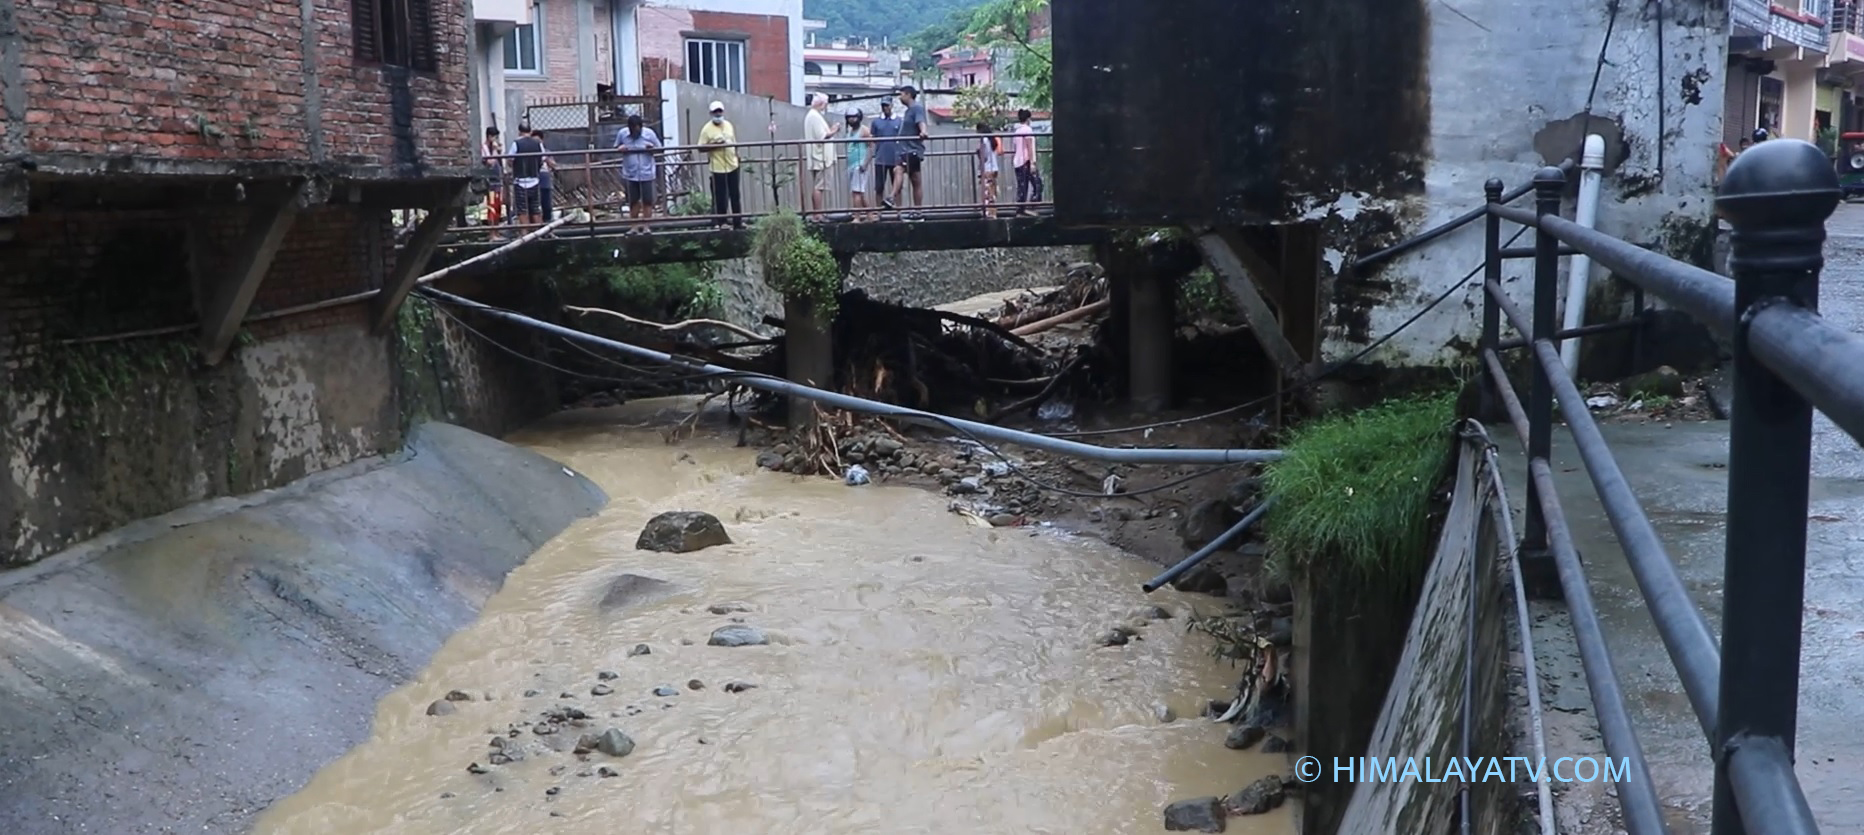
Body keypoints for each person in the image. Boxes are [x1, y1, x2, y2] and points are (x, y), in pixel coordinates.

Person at [884, 85, 929, 218]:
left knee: (899, 170)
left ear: (909, 95)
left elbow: (921, 122)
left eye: (901, 94)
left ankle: (892, 197)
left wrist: (923, 132)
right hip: (906, 149)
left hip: (911, 149)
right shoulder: (909, 111)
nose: (900, 97)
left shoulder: (916, 108)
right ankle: (917, 210)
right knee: (915, 179)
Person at [698, 100, 744, 229]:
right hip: (718, 166)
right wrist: (716, 145)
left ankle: (737, 222)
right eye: (715, 112)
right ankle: (722, 222)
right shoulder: (707, 129)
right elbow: (700, 148)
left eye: (720, 111)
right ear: (711, 113)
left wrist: (737, 155)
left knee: (735, 194)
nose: (718, 114)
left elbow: (734, 141)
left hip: (732, 164)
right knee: (720, 196)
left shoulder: (729, 125)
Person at [615, 113, 661, 234]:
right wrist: (620, 149)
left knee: (647, 201)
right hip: (630, 173)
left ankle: (646, 226)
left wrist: (652, 148)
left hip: (647, 173)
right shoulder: (622, 134)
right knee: (633, 201)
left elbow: (660, 148)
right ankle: (634, 226)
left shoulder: (649, 134)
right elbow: (616, 147)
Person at [803, 93, 840, 216]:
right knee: (819, 186)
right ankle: (817, 214)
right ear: (822, 104)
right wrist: (834, 130)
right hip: (821, 157)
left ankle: (817, 213)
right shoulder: (815, 116)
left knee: (817, 185)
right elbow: (822, 136)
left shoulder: (812, 115)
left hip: (817, 156)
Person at [510, 126, 546, 228]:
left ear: (519, 132)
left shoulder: (516, 143)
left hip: (520, 181)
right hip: (534, 179)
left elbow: (510, 159)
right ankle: (538, 233)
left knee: (522, 209)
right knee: (535, 208)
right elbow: (543, 158)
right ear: (530, 132)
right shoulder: (538, 144)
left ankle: (525, 233)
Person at [844, 107, 875, 222]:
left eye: (854, 117)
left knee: (856, 192)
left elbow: (871, 147)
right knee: (860, 192)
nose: (852, 120)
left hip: (860, 164)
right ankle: (870, 215)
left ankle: (857, 216)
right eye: (849, 118)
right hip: (851, 164)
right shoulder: (850, 132)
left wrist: (865, 164)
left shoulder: (864, 130)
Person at [1011, 108, 1043, 216]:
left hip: (1018, 161)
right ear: (1028, 118)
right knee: (1037, 184)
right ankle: (1030, 207)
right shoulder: (1027, 130)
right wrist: (1033, 162)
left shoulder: (1017, 131)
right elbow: (1029, 146)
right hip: (1026, 161)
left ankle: (1021, 209)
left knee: (1022, 186)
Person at [870, 99, 902, 203]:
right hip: (880, 159)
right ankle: (879, 213)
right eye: (883, 105)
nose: (885, 108)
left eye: (887, 105)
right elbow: (872, 138)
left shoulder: (899, 121)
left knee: (897, 188)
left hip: (896, 159)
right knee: (879, 188)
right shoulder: (876, 122)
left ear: (892, 105)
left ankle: (899, 212)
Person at [481, 126, 506, 228]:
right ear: (489, 136)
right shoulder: (484, 148)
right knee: (492, 206)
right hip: (490, 182)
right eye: (494, 137)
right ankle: (492, 233)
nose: (495, 140)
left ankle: (496, 230)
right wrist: (495, 151)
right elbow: (490, 162)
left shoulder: (492, 148)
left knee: (498, 206)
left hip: (497, 180)